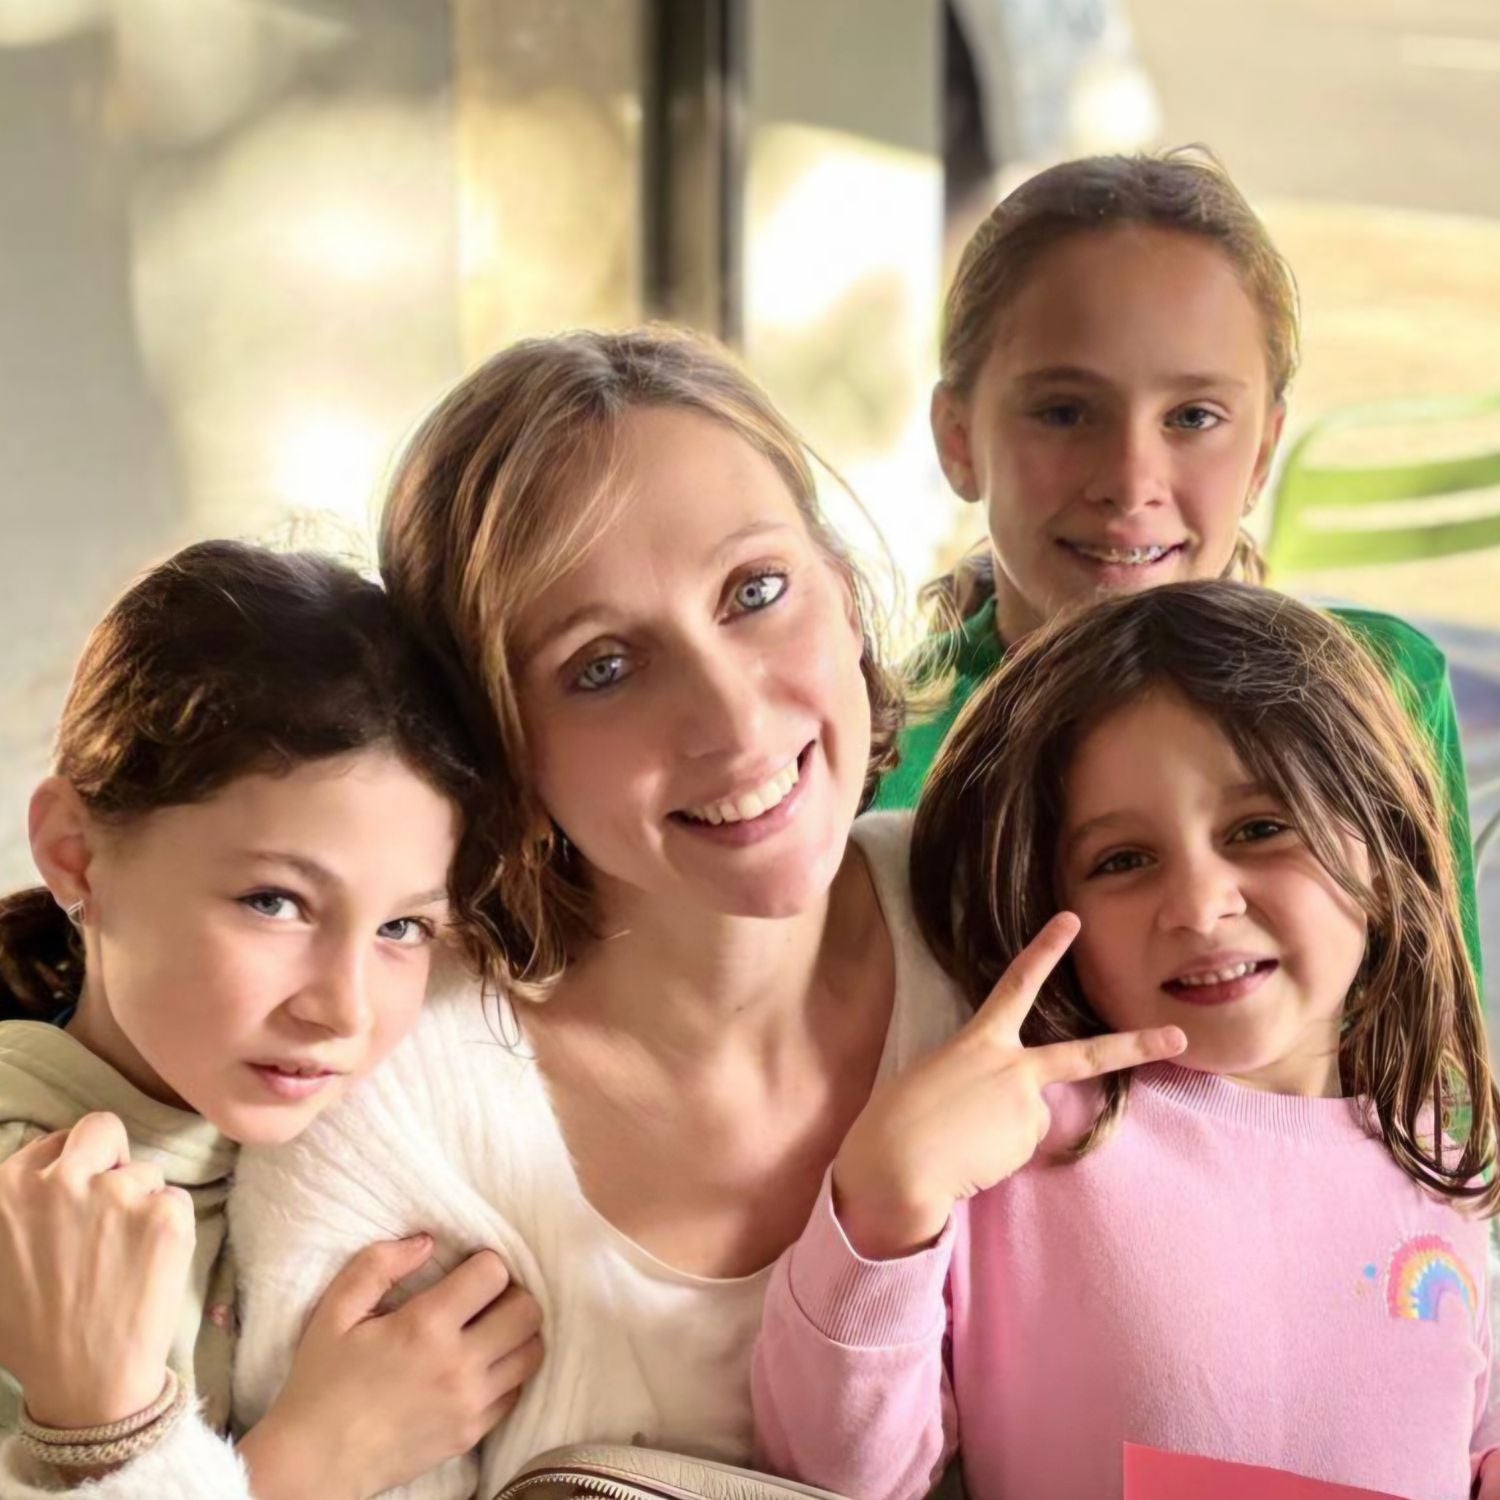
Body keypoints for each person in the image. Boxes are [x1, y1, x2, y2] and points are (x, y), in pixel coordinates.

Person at [213, 328, 1189, 1499]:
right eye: (603, 666)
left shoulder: (1022, 917)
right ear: (498, 747)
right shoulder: (389, 1098)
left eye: (756, 592)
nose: (731, 717)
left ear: (842, 587)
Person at [753, 581, 1500, 1499]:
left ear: (1385, 855)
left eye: (1261, 829)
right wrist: (883, 1207)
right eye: (1123, 861)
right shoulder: (1021, 1141)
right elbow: (842, 1476)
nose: (1199, 905)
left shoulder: (1440, 1158)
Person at [0, 541, 543, 1500]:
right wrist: (311, 1463)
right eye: (275, 902)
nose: (343, 1008)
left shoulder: (395, 1134)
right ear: (75, 853)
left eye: (403, 927)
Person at [872, 149, 1483, 980]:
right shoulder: (880, 759)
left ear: (1262, 451)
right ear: (957, 439)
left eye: (1193, 416)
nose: (1131, 482)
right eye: (1064, 412)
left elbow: (1444, 1039)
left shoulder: (1382, 690)